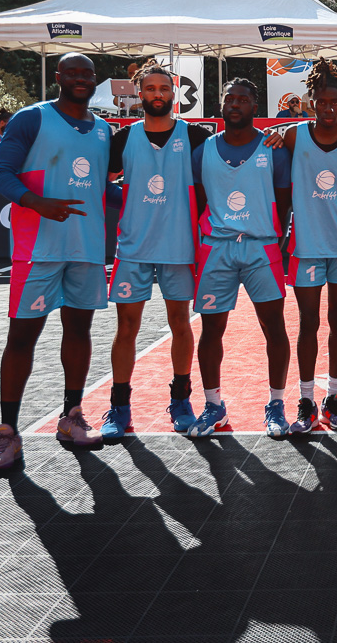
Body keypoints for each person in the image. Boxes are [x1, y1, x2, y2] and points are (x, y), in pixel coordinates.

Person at [0, 53, 113, 472]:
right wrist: (37, 202)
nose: (80, 78)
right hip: (37, 249)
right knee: (22, 338)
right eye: (72, 72)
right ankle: (8, 433)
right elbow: (1, 173)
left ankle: (71, 417)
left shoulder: (104, 130)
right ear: (58, 77)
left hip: (86, 248)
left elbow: (101, 186)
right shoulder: (31, 118)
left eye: (87, 73)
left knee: (79, 331)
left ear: (95, 79)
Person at [99, 65, 211, 440]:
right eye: (150, 88)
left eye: (164, 88)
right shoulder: (124, 138)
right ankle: (119, 406)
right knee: (126, 327)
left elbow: (222, 170)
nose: (158, 94)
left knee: (180, 323)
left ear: (174, 93)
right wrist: (128, 200)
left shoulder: (194, 136)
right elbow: (101, 182)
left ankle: (181, 400)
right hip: (134, 247)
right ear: (140, 93)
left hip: (178, 247)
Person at [186, 79, 294, 438]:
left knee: (273, 327)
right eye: (229, 98)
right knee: (211, 329)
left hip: (261, 246)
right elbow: (200, 199)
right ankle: (213, 406)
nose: (235, 104)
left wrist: (273, 235)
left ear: (254, 107)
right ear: (221, 104)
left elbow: (283, 200)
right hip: (217, 247)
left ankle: (276, 404)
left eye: (243, 99)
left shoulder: (273, 150)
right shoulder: (203, 151)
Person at [281, 59, 337, 433]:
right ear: (312, 103)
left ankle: (332, 399)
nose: (329, 108)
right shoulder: (293, 136)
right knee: (308, 323)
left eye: (335, 102)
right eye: (322, 102)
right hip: (306, 247)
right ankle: (305, 400)